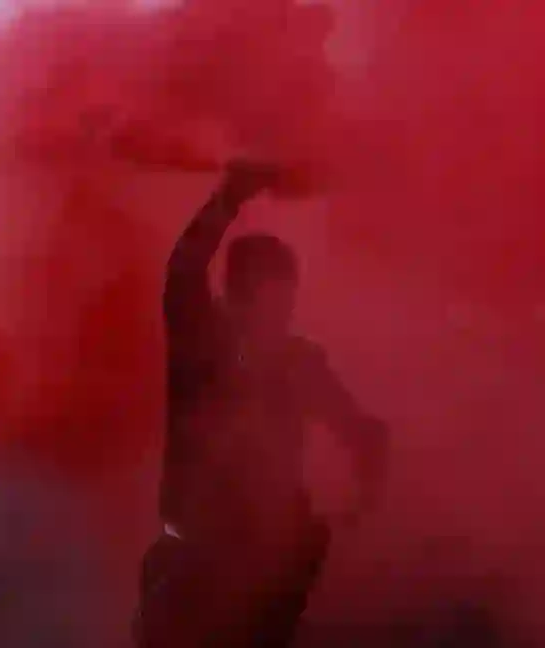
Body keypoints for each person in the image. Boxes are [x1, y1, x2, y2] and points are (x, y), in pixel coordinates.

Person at [133, 161, 389, 647]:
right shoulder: (203, 348)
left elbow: (355, 427)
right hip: (196, 576)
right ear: (237, 297)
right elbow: (183, 270)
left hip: (267, 582)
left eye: (284, 304)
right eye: (266, 302)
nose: (276, 318)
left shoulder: (299, 363)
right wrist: (228, 198)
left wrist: (368, 448)